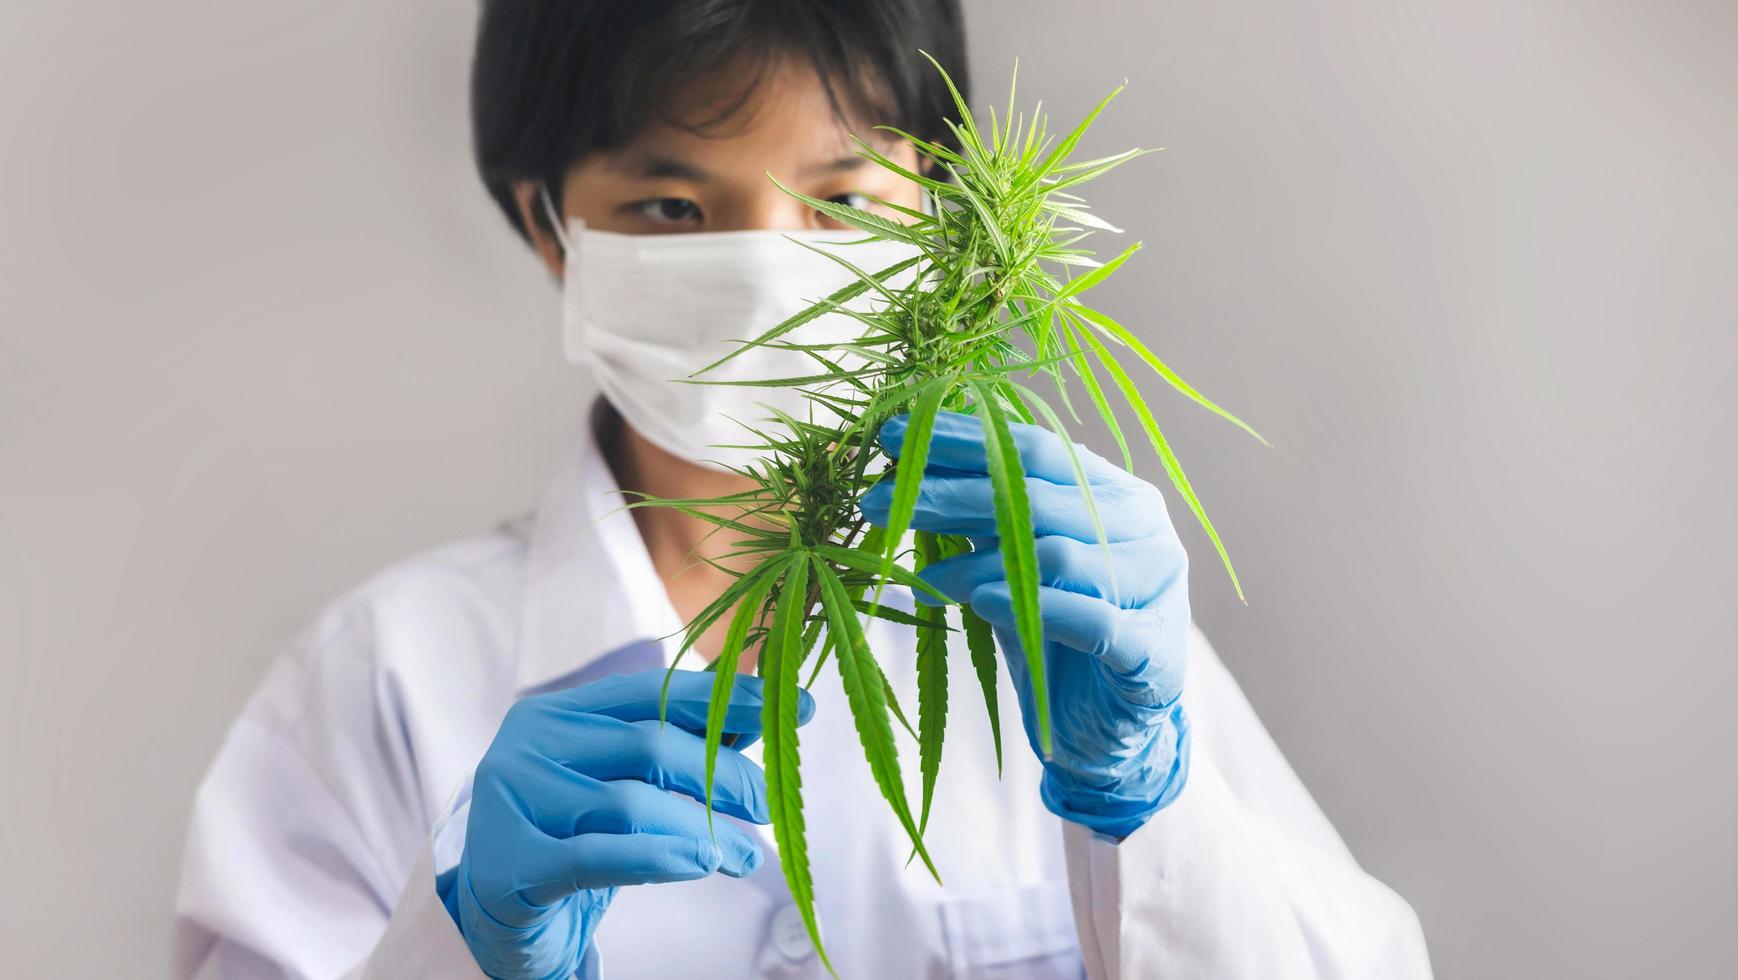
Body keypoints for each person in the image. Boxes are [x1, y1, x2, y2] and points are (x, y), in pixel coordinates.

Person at [173, 2, 1433, 977]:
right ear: (549, 222)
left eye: (840, 202)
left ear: (940, 211)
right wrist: (459, 949)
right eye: (672, 204)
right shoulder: (382, 681)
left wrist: (1150, 804)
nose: (771, 268)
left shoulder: (1055, 619)